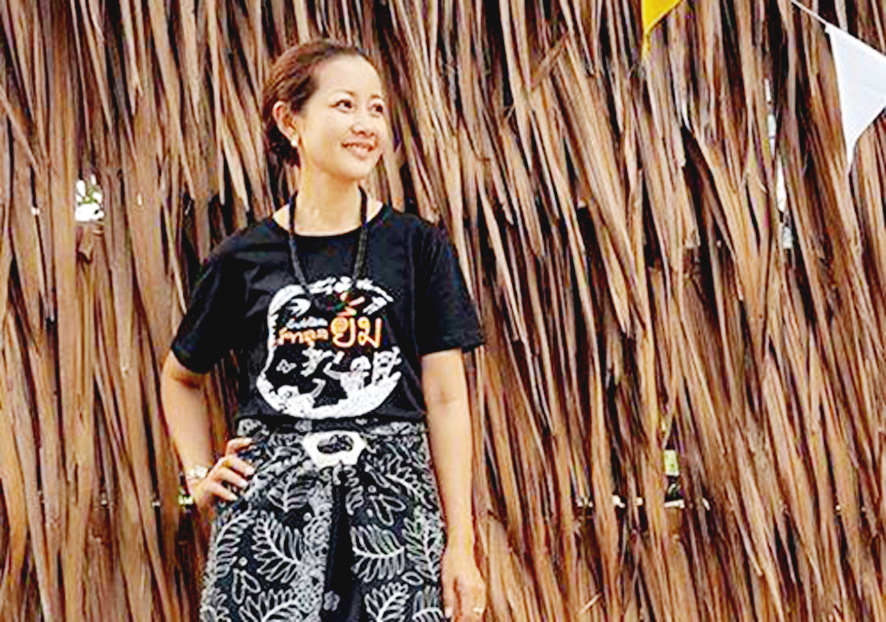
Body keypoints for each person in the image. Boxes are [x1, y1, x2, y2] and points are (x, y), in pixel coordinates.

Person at [160, 39, 488, 622]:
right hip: (269, 526)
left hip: (394, 523)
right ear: (290, 121)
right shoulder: (242, 259)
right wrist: (199, 476)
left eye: (376, 108)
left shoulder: (419, 248)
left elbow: (445, 398)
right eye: (344, 105)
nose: (366, 124)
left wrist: (459, 544)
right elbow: (180, 377)